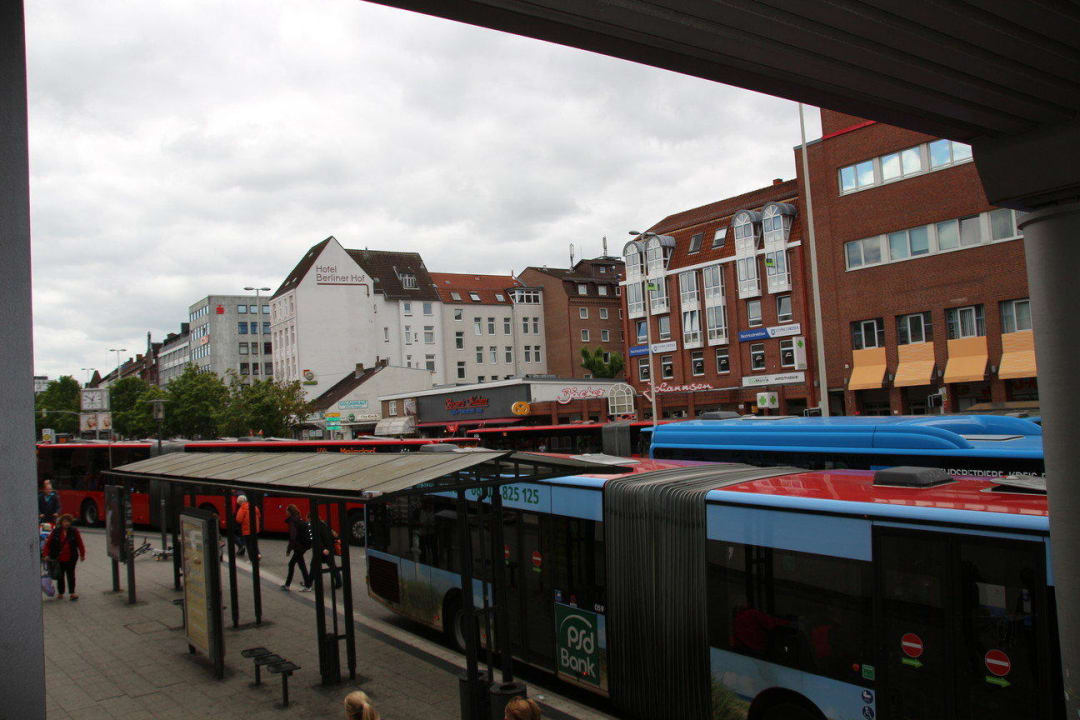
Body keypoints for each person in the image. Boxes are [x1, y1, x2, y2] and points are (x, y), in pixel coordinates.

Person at [42, 514, 86, 600]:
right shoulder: (56, 531)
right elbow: (48, 543)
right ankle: (61, 593)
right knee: (60, 576)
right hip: (59, 558)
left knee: (71, 575)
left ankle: (72, 593)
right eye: (65, 521)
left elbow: (80, 543)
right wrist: (45, 554)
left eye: (68, 521)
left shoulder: (74, 531)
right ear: (61, 522)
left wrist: (82, 554)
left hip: (71, 557)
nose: (67, 523)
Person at [282, 504, 312, 592]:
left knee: (292, 564)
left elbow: (293, 537)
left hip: (299, 546)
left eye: (287, 510)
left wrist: (288, 550)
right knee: (300, 565)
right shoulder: (298, 518)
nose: (285, 512)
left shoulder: (293, 521)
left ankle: (288, 585)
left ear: (289, 512)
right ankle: (307, 584)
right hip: (303, 545)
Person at [309, 510, 342, 589]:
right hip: (329, 548)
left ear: (311, 518)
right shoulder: (324, 523)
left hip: (322, 550)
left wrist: (323, 549)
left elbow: (317, 539)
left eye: (308, 519)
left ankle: (308, 583)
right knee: (332, 565)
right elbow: (331, 534)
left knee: (314, 566)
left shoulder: (315, 526)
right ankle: (338, 582)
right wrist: (336, 539)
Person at [235, 494, 261, 560]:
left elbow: (239, 519)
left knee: (249, 545)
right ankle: (258, 554)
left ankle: (252, 559)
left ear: (240, 502)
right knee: (254, 543)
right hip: (255, 529)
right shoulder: (254, 506)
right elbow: (259, 515)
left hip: (246, 529)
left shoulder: (242, 508)